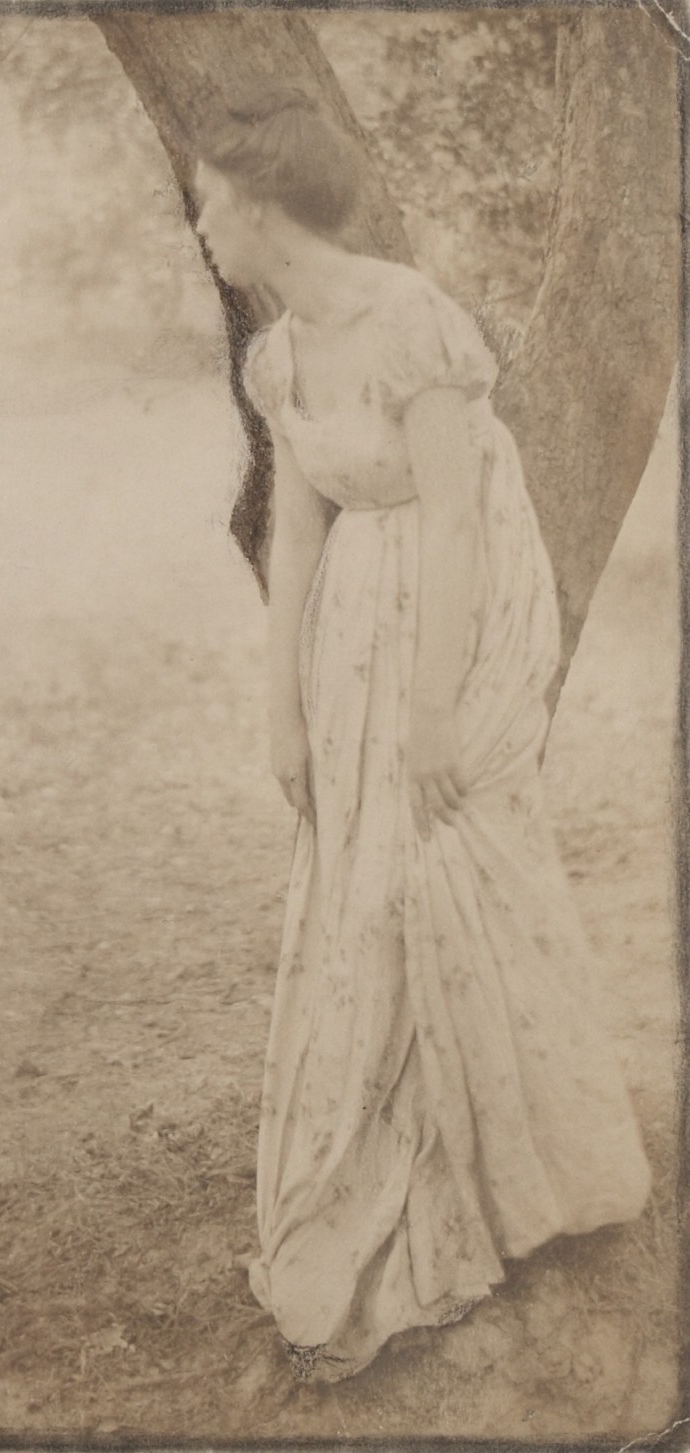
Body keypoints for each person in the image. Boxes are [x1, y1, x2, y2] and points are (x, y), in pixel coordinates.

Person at [193, 87, 652, 1384]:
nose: (206, 223)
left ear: (268, 203)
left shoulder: (411, 325)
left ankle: (498, 1174)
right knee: (359, 899)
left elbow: (457, 519)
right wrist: (282, 704)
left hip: (452, 624)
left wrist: (439, 704)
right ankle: (374, 1160)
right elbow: (296, 532)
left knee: (433, 879)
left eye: (215, 199)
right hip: (352, 640)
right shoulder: (276, 355)